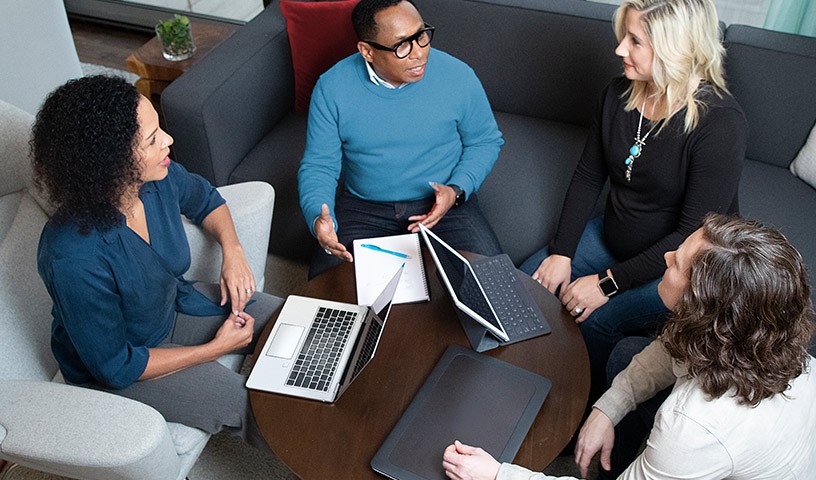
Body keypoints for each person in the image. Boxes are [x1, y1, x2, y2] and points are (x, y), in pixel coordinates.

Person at [442, 213, 816, 479]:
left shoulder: (693, 427)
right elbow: (668, 350)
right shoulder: (749, 334)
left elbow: (690, 421)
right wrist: (609, 406)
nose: (667, 256)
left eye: (677, 265)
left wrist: (496, 475)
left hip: (708, 450)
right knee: (626, 356)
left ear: (700, 308)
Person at [33, 75, 283, 452]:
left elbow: (205, 200)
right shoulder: (73, 257)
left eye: (159, 129)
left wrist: (233, 252)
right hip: (127, 365)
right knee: (251, 405)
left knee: (292, 319)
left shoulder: (156, 180)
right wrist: (215, 349)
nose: (168, 140)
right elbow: (115, 366)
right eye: (152, 140)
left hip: (173, 306)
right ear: (111, 163)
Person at [519, 0, 748, 403]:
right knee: (526, 280)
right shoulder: (618, 93)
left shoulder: (720, 123)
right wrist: (561, 252)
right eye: (624, 36)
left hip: (679, 268)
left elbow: (688, 235)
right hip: (611, 236)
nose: (619, 49)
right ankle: (510, 375)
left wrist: (606, 285)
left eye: (635, 40)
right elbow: (589, 175)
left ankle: (573, 411)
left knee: (595, 321)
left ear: (675, 47)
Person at [298, 0, 504, 279]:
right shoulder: (331, 87)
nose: (419, 53)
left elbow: (485, 141)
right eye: (402, 46)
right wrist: (318, 218)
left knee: (494, 288)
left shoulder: (459, 75)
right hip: (364, 208)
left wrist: (456, 190)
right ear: (367, 51)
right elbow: (319, 165)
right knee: (326, 290)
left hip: (444, 203)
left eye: (421, 36)